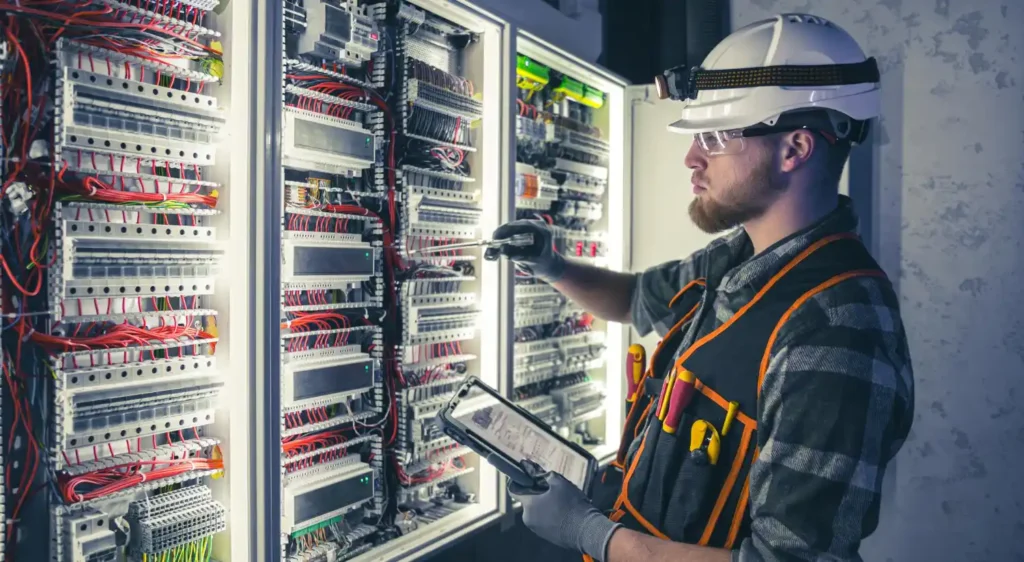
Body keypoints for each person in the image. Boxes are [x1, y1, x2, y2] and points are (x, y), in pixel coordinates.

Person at [485, 13, 915, 562]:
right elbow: (637, 298)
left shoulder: (837, 330)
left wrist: (592, 534)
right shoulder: (735, 257)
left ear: (795, 149)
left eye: (713, 138)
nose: (691, 159)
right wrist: (551, 265)